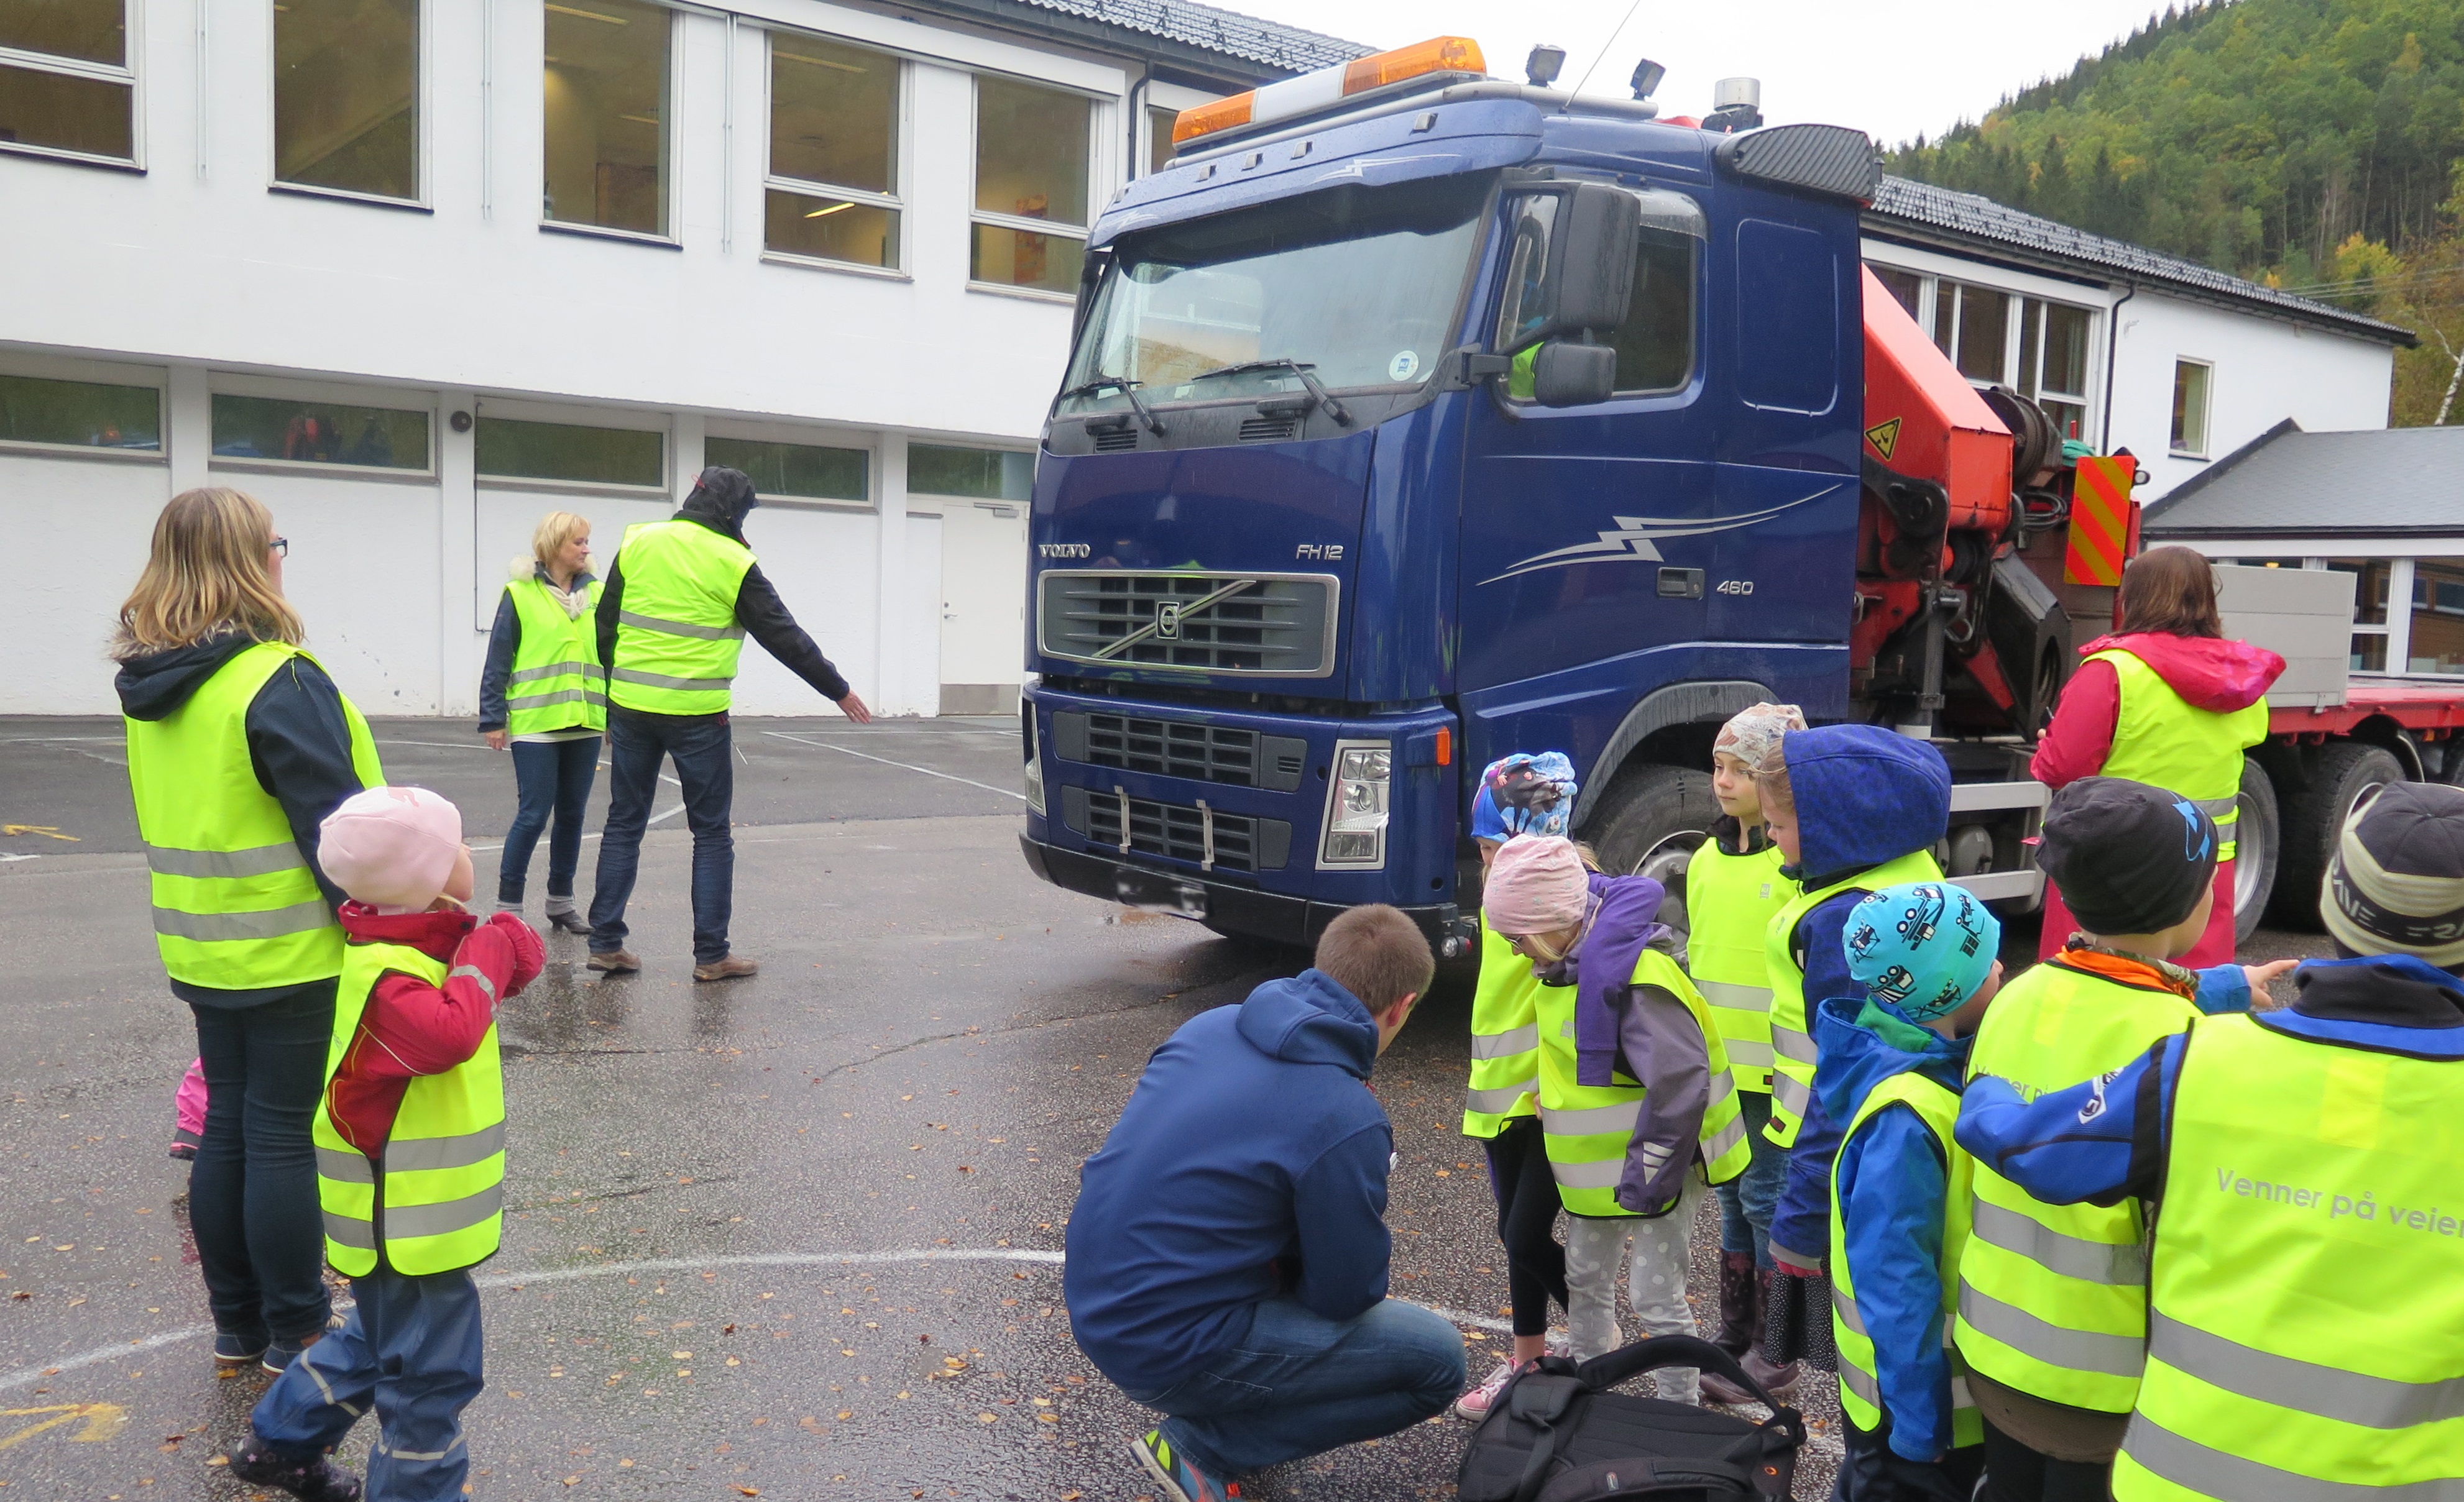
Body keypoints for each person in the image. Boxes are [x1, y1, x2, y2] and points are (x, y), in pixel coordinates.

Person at [1957, 780, 2464, 1501]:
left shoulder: (2196, 1064)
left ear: (2329, 900)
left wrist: (1982, 1089)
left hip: (2172, 1465)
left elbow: (2035, 1146)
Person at [1951, 777, 2293, 1498]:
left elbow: (2110, 1002)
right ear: (2192, 902)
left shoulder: (2015, 999)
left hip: (1996, 1349)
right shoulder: (2193, 1047)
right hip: (2111, 1382)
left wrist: (2213, 987)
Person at [114, 487, 384, 1373]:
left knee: (229, 1123)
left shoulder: (154, 686)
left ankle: (237, 1322)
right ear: (252, 561)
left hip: (202, 947)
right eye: (278, 544)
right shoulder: (277, 679)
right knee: (278, 1133)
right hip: (291, 948)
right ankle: (298, 1324)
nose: (283, 558)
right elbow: (341, 833)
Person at [1065, 905, 1463, 1502]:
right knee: (1438, 1361)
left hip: (1096, 1298)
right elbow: (1347, 1294)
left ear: (1322, 967)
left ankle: (1218, 1418)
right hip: (1167, 1342)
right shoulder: (1345, 1112)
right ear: (1402, 1006)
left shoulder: (1211, 1024)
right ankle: (1204, 1447)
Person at [229, 785, 543, 1502]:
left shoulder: (402, 942)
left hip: (409, 1215)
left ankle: (280, 1441)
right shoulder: (387, 976)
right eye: (455, 847)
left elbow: (477, 988)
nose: (468, 855)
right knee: (432, 1376)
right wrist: (488, 948)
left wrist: (495, 952)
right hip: (405, 1218)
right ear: (426, 878)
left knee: (379, 1339)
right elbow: (449, 1032)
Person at [1483, 835, 1752, 1404]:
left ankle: (1679, 1411)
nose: (1514, 952)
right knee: (1584, 1276)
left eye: (1517, 938)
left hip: (1660, 1170)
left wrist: (1648, 1179)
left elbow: (1680, 1087)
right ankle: (1591, 1397)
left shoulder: (1635, 979)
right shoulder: (1569, 967)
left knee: (1655, 1297)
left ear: (1555, 920)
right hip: (1608, 1174)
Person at [587, 467, 871, 980]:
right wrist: (839, 689)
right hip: (697, 716)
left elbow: (604, 624)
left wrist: (611, 699)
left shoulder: (639, 541)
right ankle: (711, 955)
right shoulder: (733, 561)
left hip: (631, 706)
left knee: (624, 822)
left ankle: (606, 940)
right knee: (712, 833)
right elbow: (784, 636)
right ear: (734, 511)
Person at [1753, 725, 1951, 1375]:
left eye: (1779, 826)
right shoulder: (1897, 873)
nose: (1771, 841)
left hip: (1841, 1144)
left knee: (1856, 1331)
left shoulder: (1848, 922)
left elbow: (1847, 1067)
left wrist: (1799, 1219)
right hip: (1888, 1131)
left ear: (1835, 823)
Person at [1823, 882, 2005, 1500]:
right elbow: (1896, 1281)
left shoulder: (1928, 1063)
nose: (2003, 967)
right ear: (1946, 986)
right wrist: (1918, 1431)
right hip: (1914, 1417)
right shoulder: (1906, 1119)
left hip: (1915, 1406)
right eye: (1987, 962)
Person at [2029, 544, 2281, 966]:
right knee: (2194, 1000)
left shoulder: (2113, 669)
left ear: (2132, 598)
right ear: (2207, 599)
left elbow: (2063, 767)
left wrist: (2048, 744)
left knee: (2095, 992)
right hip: (2204, 865)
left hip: (2112, 864)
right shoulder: (2240, 678)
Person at [1451, 753, 1576, 1421]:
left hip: (1550, 1098)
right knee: (1511, 1230)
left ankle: (1593, 1338)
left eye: (1496, 845)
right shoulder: (1499, 894)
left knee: (1528, 1233)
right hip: (1499, 1091)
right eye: (1481, 849)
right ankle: (1527, 1356)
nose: (1488, 863)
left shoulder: (1566, 899)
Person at [1687, 702, 1806, 1404]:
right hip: (1721, 1069)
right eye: (1718, 767)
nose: (1723, 781)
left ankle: (1778, 1350)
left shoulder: (1790, 867)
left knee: (1767, 1199)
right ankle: (1737, 1333)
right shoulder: (1705, 859)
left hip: (1771, 1070)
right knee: (1732, 1197)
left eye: (1740, 770)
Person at [475, 510, 604, 933]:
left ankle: (560, 902)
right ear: (554, 547)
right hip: (536, 723)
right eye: (578, 542)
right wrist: (494, 717)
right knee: (533, 813)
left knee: (573, 815)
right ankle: (509, 906)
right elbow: (498, 660)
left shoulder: (598, 595)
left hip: (585, 721)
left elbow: (613, 656)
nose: (586, 549)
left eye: (587, 541)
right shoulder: (520, 593)